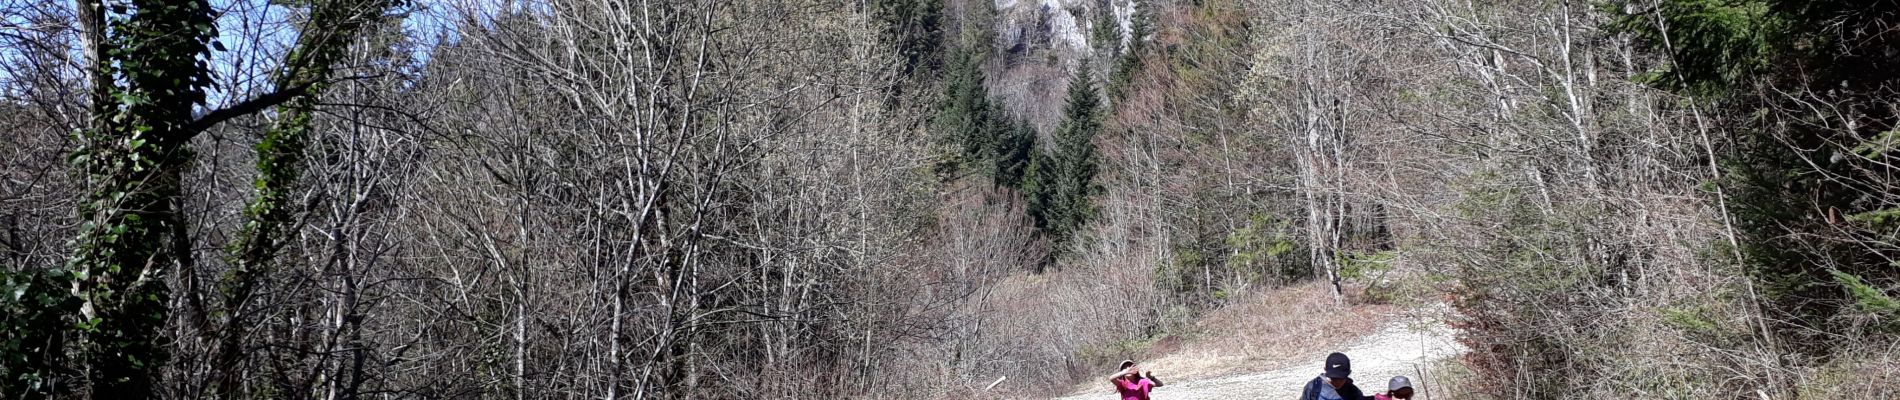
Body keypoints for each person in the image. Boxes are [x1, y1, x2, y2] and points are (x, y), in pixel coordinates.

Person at [1298, 352, 1372, 400]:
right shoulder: (1313, 388)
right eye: (1334, 378)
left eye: (1341, 379)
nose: (1338, 382)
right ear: (1325, 370)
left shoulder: (1352, 390)